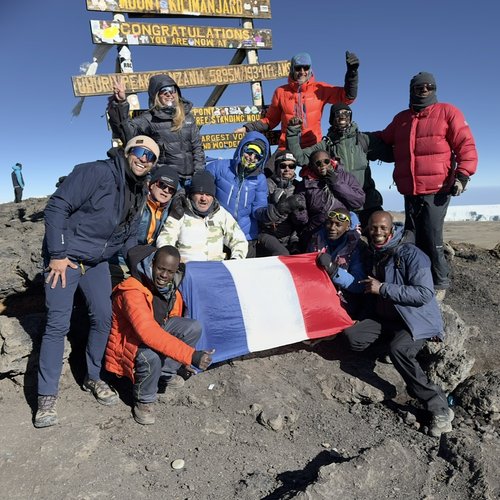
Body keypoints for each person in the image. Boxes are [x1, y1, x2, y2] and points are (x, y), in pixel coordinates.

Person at [35, 135, 159, 429]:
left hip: (96, 262)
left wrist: (142, 268)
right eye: (140, 152)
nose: (144, 159)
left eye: (150, 156)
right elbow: (56, 207)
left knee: (103, 318)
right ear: (128, 152)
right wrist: (57, 253)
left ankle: (93, 376)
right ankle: (46, 397)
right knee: (57, 324)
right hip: (65, 259)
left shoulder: (138, 189)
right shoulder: (97, 172)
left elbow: (128, 237)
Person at [343, 211, 454, 438]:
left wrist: (383, 288)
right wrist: (363, 316)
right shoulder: (374, 254)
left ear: (392, 229)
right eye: (374, 228)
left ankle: (438, 404)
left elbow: (424, 293)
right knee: (353, 337)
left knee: (400, 350)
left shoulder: (413, 255)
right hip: (386, 319)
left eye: (383, 228)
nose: (378, 232)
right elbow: (369, 292)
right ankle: (389, 349)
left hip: (413, 322)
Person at [375, 72, 478, 298]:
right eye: (419, 87)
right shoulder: (402, 118)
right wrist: (359, 137)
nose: (424, 90)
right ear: (412, 90)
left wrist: (462, 176)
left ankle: (440, 283)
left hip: (438, 189)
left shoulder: (447, 112)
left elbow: (466, 144)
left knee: (431, 235)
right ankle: (418, 277)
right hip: (410, 190)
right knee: (412, 236)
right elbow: (383, 137)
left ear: (434, 89)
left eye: (429, 87)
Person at [105, 245, 213, 425]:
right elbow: (147, 332)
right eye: (161, 269)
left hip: (152, 334)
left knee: (192, 327)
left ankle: (164, 373)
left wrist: (182, 359)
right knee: (151, 355)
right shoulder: (132, 290)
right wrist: (190, 355)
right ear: (152, 264)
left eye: (170, 271)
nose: (164, 275)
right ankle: (144, 400)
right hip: (129, 343)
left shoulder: (169, 288)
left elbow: (171, 319)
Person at [287, 104, 394, 227]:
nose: (342, 116)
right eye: (338, 114)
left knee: (376, 238)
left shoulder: (365, 140)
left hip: (368, 202)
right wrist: (293, 132)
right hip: (341, 204)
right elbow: (300, 158)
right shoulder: (326, 145)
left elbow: (391, 154)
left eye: (347, 113)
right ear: (332, 119)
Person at [235, 51, 359, 151]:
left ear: (310, 69)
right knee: (269, 175)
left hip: (313, 145)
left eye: (306, 68)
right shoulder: (281, 92)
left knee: (322, 175)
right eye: (298, 68)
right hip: (287, 145)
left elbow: (347, 98)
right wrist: (248, 128)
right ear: (292, 69)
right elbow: (270, 121)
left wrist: (352, 74)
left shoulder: (319, 89)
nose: (302, 72)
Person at [108, 74, 205, 186]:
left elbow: (197, 148)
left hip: (191, 178)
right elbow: (127, 134)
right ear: (156, 96)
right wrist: (121, 103)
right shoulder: (149, 118)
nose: (169, 94)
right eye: (163, 91)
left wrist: (199, 174)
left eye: (172, 90)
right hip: (166, 181)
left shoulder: (187, 116)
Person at [157, 171, 248, 262]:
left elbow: (239, 241)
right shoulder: (179, 212)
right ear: (192, 195)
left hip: (216, 269)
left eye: (208, 194)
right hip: (187, 270)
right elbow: (165, 241)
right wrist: (173, 264)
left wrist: (235, 261)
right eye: (199, 193)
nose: (204, 198)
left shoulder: (221, 214)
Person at [205, 132, 270, 258]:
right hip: (216, 233)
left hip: (245, 235)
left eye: (257, 156)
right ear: (241, 148)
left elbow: (258, 208)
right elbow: (200, 187)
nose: (251, 157)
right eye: (249, 151)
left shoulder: (260, 179)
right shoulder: (219, 167)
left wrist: (270, 213)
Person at [293, 149, 365, 251]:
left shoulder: (345, 177)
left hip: (342, 229)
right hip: (316, 231)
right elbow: (301, 218)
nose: (323, 165)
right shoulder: (305, 184)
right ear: (312, 166)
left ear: (330, 161)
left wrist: (336, 183)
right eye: (318, 163)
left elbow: (358, 201)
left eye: (326, 161)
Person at [315, 208, 366, 318]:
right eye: (330, 223)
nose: (332, 228)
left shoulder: (357, 247)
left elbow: (359, 284)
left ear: (347, 227)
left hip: (345, 301)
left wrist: (333, 269)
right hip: (318, 295)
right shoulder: (316, 240)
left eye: (338, 224)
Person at [258, 150, 304, 256]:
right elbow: (260, 214)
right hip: (268, 236)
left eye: (291, 166)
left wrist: (294, 240)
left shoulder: (299, 186)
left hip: (291, 238)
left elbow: (301, 220)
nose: (287, 169)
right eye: (283, 165)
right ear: (277, 167)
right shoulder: (266, 184)